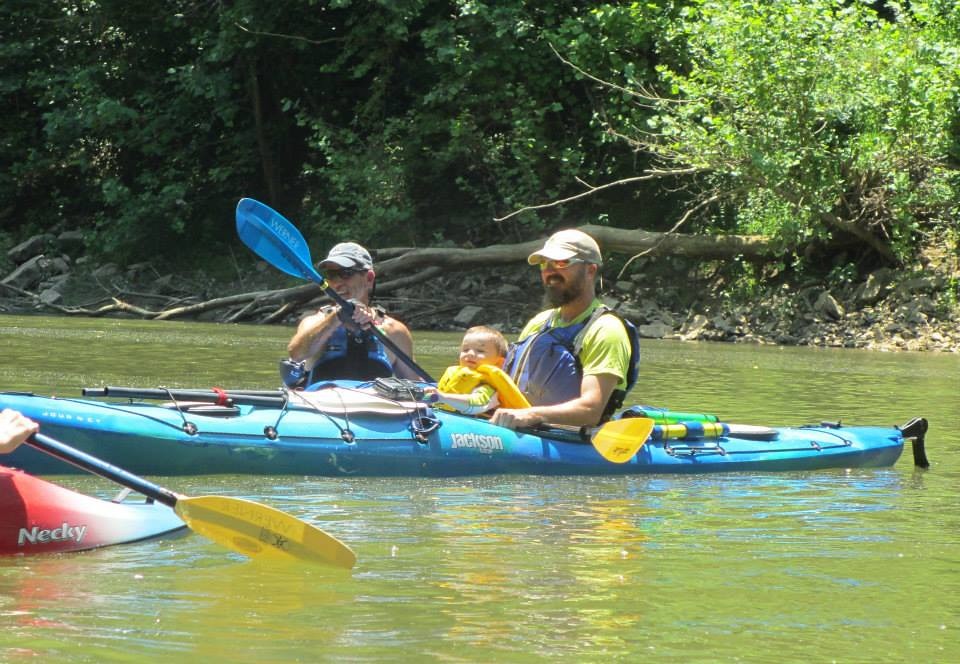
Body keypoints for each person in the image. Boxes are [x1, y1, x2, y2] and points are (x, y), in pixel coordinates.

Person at [492, 229, 639, 430]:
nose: (550, 271)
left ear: (590, 270)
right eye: (545, 264)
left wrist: (531, 415)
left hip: (569, 442)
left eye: (562, 263)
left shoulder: (606, 329)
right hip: (519, 430)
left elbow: (591, 410)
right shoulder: (539, 323)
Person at [285, 242, 418, 385]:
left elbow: (416, 386)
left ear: (369, 278)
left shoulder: (395, 332)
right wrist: (336, 317)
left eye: (345, 274)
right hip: (320, 405)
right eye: (331, 275)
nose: (337, 283)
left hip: (373, 406)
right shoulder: (314, 322)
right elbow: (297, 355)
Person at [426, 326, 529, 416]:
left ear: (499, 362)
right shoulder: (456, 373)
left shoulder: (487, 386)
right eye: (465, 350)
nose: (470, 354)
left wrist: (443, 397)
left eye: (480, 351)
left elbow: (477, 404)